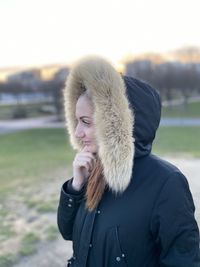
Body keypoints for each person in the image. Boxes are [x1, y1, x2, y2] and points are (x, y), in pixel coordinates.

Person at [57, 56, 200, 267]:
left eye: (86, 122)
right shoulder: (92, 170)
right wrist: (75, 187)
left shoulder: (166, 183)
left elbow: (184, 261)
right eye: (76, 121)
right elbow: (68, 232)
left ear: (118, 126)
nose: (78, 133)